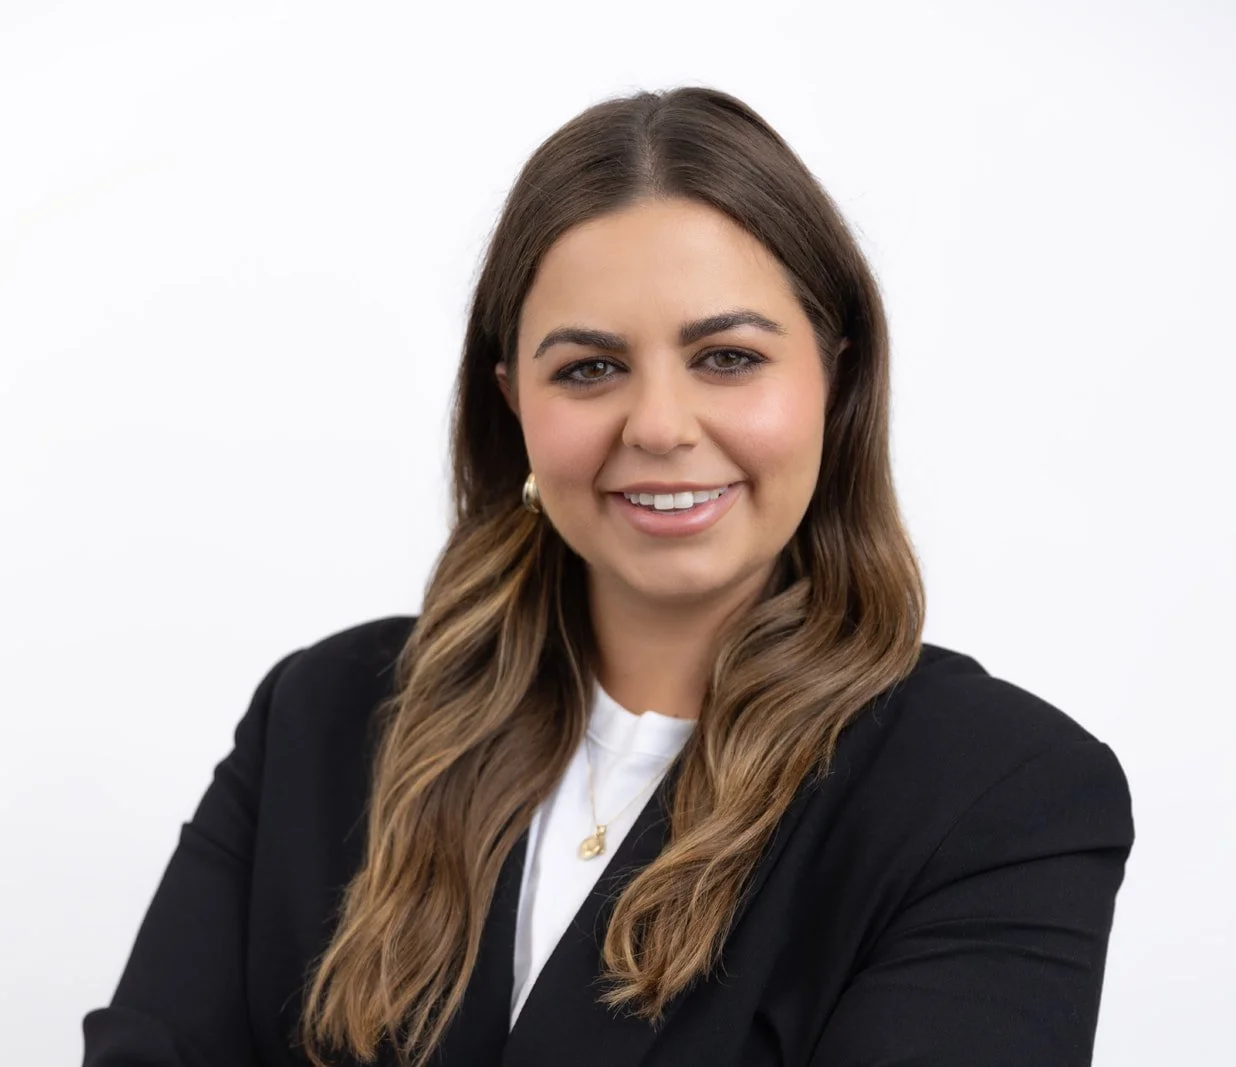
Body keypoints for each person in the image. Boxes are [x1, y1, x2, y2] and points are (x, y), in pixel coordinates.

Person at [82, 85, 1135, 1067]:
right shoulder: (319, 717)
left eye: (727, 356)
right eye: (588, 368)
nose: (660, 426)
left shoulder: (1002, 795)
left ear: (835, 373)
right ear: (512, 404)